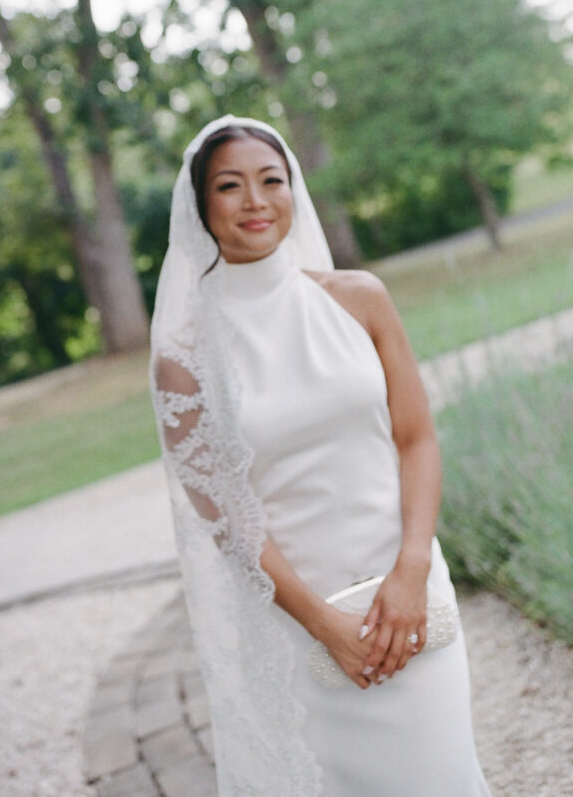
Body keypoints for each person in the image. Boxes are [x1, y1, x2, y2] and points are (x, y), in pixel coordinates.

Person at [150, 115, 492, 797]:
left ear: (293, 189)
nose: (255, 200)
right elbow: (229, 524)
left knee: (446, 775)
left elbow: (416, 438)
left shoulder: (360, 298)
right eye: (229, 186)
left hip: (411, 590)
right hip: (302, 620)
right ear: (200, 206)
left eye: (270, 180)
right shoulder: (184, 359)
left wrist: (412, 570)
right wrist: (322, 625)